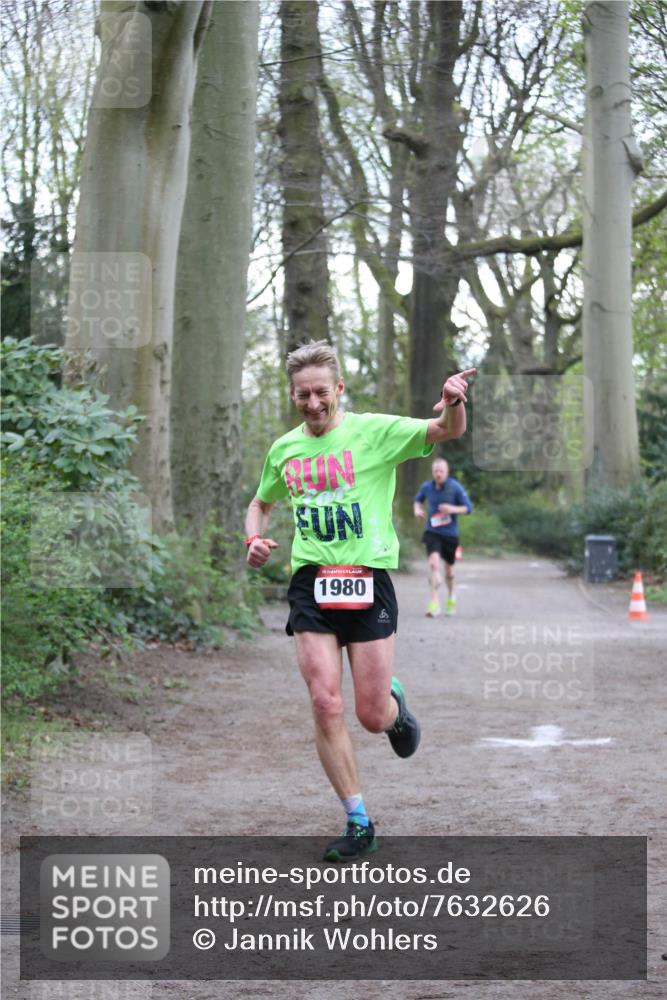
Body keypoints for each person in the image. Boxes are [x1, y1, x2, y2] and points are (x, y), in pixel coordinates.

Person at [244, 340, 474, 861]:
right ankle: (358, 818)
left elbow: (445, 431)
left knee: (371, 715)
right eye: (302, 395)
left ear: (338, 389)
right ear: (293, 396)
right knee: (326, 701)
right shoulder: (284, 449)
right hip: (311, 582)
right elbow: (260, 502)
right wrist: (252, 539)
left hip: (367, 580)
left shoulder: (374, 432)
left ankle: (395, 710)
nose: (312, 403)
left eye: (321, 392)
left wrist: (454, 401)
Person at [414, 458, 473, 618]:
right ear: (433, 472)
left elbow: (468, 508)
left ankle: (451, 595)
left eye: (441, 471)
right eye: (435, 471)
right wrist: (417, 510)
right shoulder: (427, 486)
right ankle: (434, 602)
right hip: (432, 531)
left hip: (450, 534)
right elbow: (418, 501)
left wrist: (452, 509)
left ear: (447, 472)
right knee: (433, 565)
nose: (438, 474)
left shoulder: (455, 487)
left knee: (449, 571)